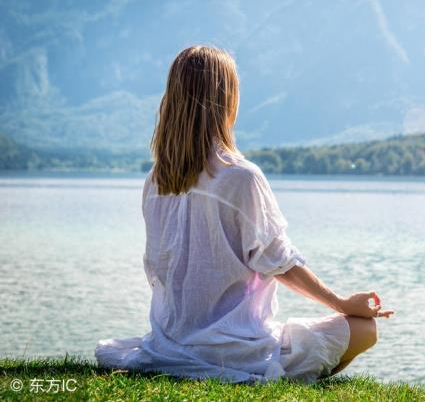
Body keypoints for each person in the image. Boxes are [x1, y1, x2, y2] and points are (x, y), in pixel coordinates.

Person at [94, 45, 393, 383]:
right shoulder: (241, 177)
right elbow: (280, 262)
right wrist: (341, 303)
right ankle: (282, 376)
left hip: (170, 344)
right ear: (227, 100)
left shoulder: (156, 181)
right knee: (364, 330)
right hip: (236, 350)